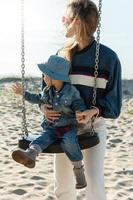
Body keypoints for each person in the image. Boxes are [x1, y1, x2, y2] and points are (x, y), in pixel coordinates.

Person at [41, 0, 122, 200]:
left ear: (76, 21)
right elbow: (46, 92)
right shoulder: (59, 56)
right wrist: (44, 108)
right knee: (63, 187)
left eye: (65, 17)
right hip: (62, 127)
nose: (61, 21)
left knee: (94, 186)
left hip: (94, 127)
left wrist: (93, 111)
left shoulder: (108, 58)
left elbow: (114, 104)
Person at [12, 55, 89, 189]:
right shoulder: (47, 91)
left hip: (67, 127)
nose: (43, 78)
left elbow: (79, 103)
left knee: (70, 143)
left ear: (55, 77)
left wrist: (79, 112)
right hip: (51, 127)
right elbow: (37, 99)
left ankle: (79, 172)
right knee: (42, 138)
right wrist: (23, 93)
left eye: (45, 75)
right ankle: (30, 155)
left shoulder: (71, 91)